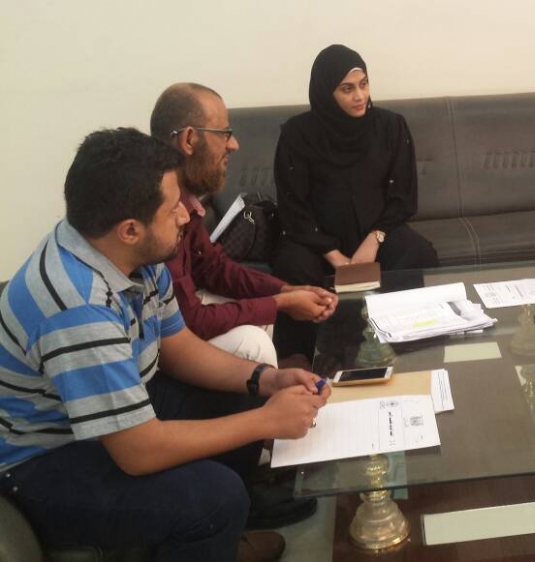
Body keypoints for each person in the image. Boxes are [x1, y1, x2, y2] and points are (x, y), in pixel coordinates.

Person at [0, 128, 332, 562]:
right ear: (130, 229)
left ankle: (222, 539)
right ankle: (211, 529)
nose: (185, 216)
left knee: (244, 395)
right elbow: (138, 452)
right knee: (216, 498)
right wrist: (267, 421)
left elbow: (177, 346)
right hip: (42, 459)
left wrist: (266, 380)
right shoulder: (77, 306)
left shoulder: (134, 255)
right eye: (173, 207)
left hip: (105, 414)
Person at [150, 83, 338, 367]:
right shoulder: (160, 212)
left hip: (182, 314)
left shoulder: (186, 195)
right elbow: (190, 320)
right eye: (224, 133)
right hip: (161, 340)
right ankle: (271, 389)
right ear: (189, 140)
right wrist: (281, 303)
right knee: (252, 343)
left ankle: (276, 375)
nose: (234, 145)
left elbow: (214, 267)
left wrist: (284, 290)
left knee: (261, 311)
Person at [271, 44, 439, 358]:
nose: (360, 96)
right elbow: (293, 205)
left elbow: (402, 197)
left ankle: (406, 343)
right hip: (316, 241)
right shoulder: (297, 134)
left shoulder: (390, 126)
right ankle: (305, 357)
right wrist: (334, 256)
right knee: (293, 266)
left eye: (363, 84)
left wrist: (374, 240)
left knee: (418, 252)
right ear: (326, 92)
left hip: (376, 233)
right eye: (347, 89)